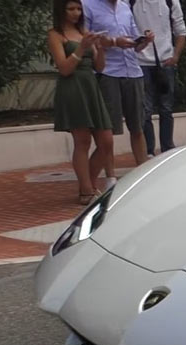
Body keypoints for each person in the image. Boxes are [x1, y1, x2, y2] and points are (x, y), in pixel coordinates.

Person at [47, 0, 114, 204]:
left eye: (78, 9)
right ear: (62, 10)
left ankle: (90, 184)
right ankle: (86, 191)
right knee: (82, 141)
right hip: (73, 88)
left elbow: (100, 67)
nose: (76, 13)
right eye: (71, 9)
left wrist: (100, 48)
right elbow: (64, 68)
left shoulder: (85, 31)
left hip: (91, 85)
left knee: (106, 141)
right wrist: (81, 48)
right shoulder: (55, 35)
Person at [82, 0, 154, 176]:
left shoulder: (124, 7)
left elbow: (134, 43)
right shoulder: (87, 6)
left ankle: (143, 173)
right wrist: (114, 42)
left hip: (132, 71)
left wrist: (144, 41)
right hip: (108, 72)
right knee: (108, 132)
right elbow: (86, 40)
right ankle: (110, 177)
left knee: (137, 127)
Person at [131, 0, 186, 157]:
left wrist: (175, 56)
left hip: (165, 62)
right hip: (140, 63)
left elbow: (181, 30)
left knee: (166, 108)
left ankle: (167, 149)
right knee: (145, 109)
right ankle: (148, 151)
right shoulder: (130, 2)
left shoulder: (170, 2)